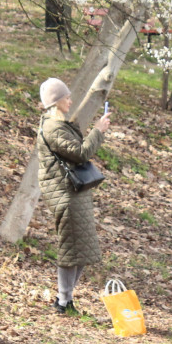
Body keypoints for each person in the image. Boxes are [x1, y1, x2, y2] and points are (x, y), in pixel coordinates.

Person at [36, 78, 112, 315]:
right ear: (56, 101)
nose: (70, 101)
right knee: (71, 248)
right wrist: (98, 131)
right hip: (65, 194)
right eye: (66, 97)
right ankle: (63, 301)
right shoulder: (52, 127)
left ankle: (66, 299)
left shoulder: (61, 125)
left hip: (75, 192)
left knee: (82, 249)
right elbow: (80, 153)